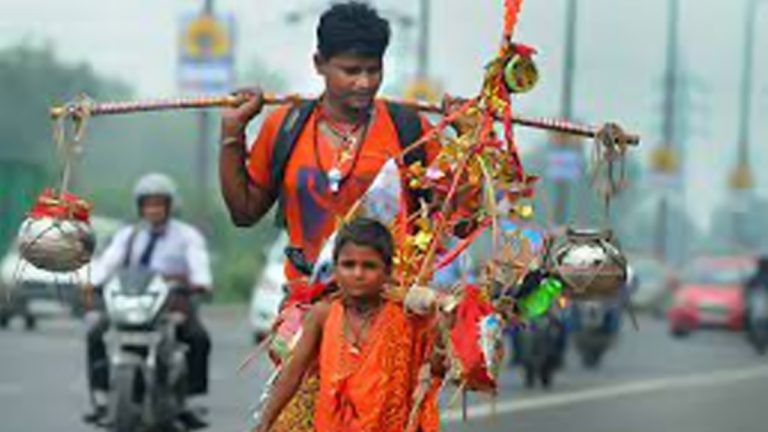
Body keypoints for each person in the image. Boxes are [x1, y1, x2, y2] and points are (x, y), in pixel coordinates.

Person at [254, 217, 443, 432]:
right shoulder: (323, 314)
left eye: (369, 266)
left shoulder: (408, 317)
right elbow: (293, 373)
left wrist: (440, 312)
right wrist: (265, 423)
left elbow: (437, 368)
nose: (358, 274)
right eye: (348, 265)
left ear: (388, 270)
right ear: (335, 268)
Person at [83, 173, 212, 429]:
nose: (153, 209)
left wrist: (200, 282)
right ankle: (100, 397)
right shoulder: (128, 235)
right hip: (133, 301)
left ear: (170, 206)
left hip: (172, 300)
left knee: (198, 338)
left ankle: (192, 401)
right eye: (148, 204)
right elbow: (109, 261)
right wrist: (93, 282)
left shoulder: (187, 236)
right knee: (96, 332)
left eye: (159, 204)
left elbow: (198, 264)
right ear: (140, 207)